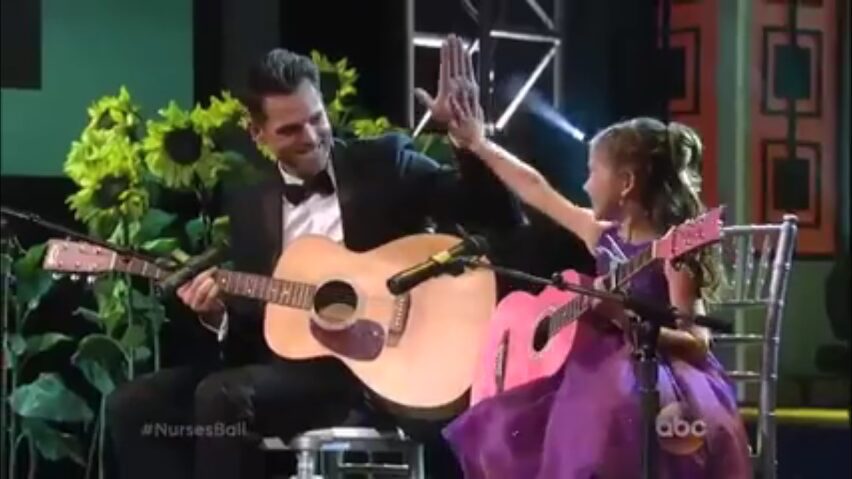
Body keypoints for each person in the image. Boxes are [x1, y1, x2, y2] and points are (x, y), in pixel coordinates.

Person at [105, 36, 521, 479]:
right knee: (133, 405)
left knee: (221, 396)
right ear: (256, 133)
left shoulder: (383, 163)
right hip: (290, 378)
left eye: (316, 119)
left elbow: (496, 216)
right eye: (289, 130)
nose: (310, 137)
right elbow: (254, 334)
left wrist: (470, 144)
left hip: (377, 367)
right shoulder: (249, 205)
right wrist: (218, 316)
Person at [439, 88, 753, 478]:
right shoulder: (600, 235)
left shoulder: (674, 253)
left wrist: (624, 319)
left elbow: (697, 342)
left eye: (593, 172)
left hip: (659, 376)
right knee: (512, 421)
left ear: (626, 183)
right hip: (594, 367)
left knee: (601, 419)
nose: (586, 185)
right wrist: (478, 143)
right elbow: (535, 188)